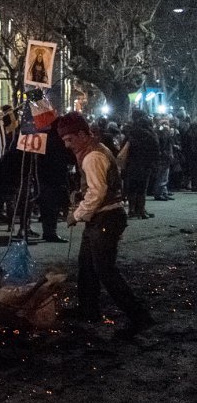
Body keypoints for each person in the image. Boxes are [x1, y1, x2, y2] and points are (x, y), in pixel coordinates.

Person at [58, 111, 155, 339]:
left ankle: (140, 317)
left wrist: (77, 215)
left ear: (82, 134)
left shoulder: (92, 156)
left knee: (106, 271)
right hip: (101, 217)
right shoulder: (94, 149)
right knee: (86, 265)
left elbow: (97, 193)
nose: (67, 145)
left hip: (107, 218)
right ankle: (88, 309)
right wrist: (80, 198)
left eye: (69, 139)